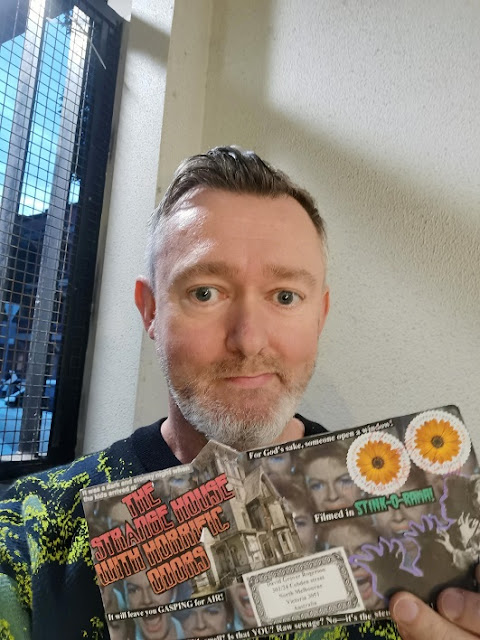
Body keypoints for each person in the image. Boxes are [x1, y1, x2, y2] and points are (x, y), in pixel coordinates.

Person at [0, 146, 477, 640]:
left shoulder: (440, 536)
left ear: (320, 315)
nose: (248, 340)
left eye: (285, 296)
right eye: (205, 292)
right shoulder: (33, 529)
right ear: (151, 311)